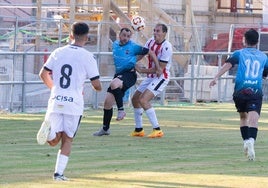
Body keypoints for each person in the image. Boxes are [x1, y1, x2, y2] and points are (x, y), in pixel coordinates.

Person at [36, 22, 102, 180]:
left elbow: (43, 74)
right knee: (67, 139)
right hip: (74, 102)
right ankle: (58, 174)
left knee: (53, 141)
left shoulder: (58, 51)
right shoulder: (87, 56)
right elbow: (96, 83)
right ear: (87, 37)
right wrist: (97, 89)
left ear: (71, 35)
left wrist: (54, 88)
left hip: (56, 98)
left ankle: (50, 131)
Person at [209, 28, 268, 161]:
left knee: (243, 117)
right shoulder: (264, 57)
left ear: (244, 40)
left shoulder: (239, 53)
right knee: (254, 120)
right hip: (255, 91)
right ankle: (251, 140)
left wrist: (215, 77)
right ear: (257, 41)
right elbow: (265, 73)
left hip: (240, 92)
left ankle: (246, 140)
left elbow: (228, 65)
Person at [93, 27, 160, 136]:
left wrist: (158, 67)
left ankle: (121, 110)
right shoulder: (115, 44)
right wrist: (133, 59)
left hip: (129, 74)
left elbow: (150, 52)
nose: (126, 38)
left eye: (128, 36)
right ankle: (105, 129)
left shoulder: (133, 46)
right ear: (119, 35)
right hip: (119, 75)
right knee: (107, 103)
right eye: (124, 35)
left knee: (114, 84)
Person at [130, 23, 173, 138]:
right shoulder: (150, 42)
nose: (155, 33)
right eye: (154, 30)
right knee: (135, 99)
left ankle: (157, 129)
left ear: (164, 33)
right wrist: (131, 60)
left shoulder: (167, 47)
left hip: (161, 77)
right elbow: (142, 54)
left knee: (143, 100)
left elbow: (159, 70)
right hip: (150, 77)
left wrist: (141, 70)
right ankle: (139, 129)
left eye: (158, 31)